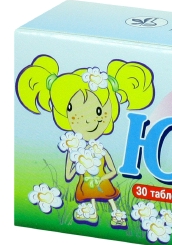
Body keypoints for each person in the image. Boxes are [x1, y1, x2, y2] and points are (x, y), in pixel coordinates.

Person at [16, 55, 155, 228]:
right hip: (86, 186)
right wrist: (76, 162)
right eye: (73, 111)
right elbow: (68, 176)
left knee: (110, 199)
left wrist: (102, 178)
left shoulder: (100, 150)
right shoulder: (72, 151)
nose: (88, 120)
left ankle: (117, 215)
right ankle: (92, 214)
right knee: (92, 199)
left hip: (102, 184)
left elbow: (113, 170)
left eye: (98, 111)